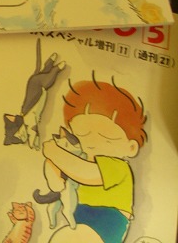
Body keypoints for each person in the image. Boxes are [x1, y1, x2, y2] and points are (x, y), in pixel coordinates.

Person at [42, 77, 146, 243]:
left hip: (109, 220)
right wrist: (53, 171)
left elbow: (85, 173)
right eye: (82, 134)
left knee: (65, 238)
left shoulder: (118, 167)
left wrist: (55, 153)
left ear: (131, 147)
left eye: (106, 137)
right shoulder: (79, 159)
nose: (91, 143)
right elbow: (60, 181)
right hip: (81, 215)